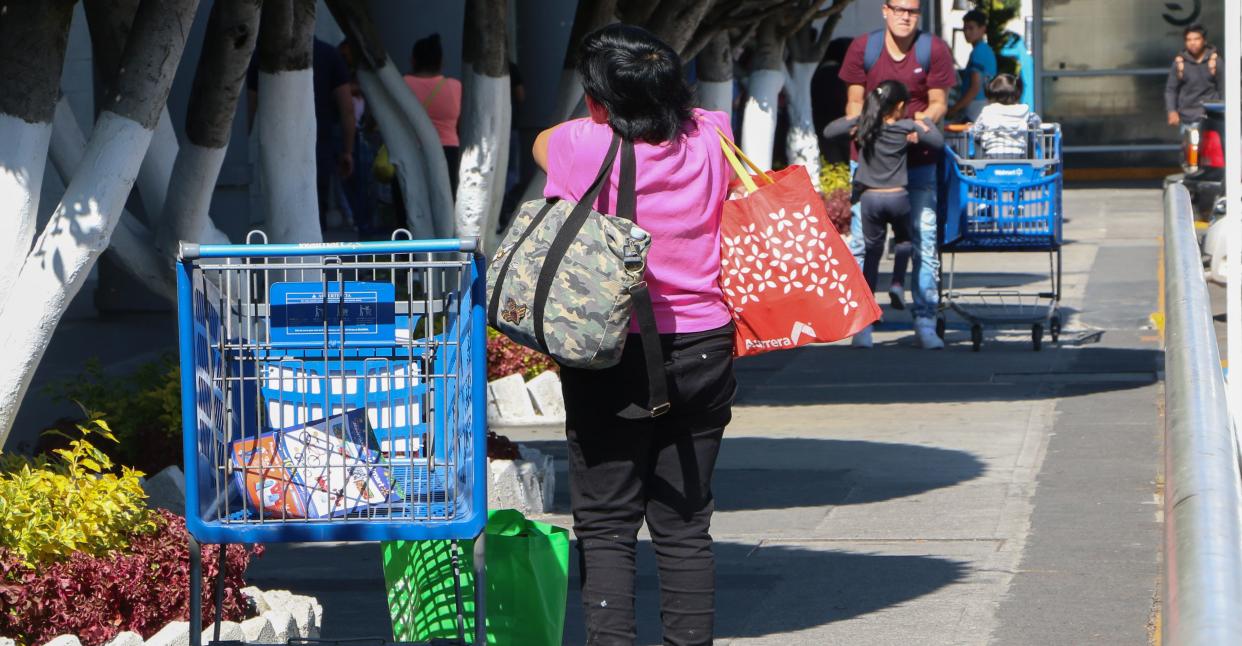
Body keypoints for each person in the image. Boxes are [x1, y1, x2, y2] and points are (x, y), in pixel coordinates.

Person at [532, 23, 736, 646]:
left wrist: (600, 113)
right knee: (683, 525)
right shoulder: (713, 135)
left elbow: (541, 141)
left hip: (611, 350)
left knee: (606, 522)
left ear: (599, 104)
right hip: (705, 347)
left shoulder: (580, 145)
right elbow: (693, 111)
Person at [839, 0, 956, 349]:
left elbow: (938, 101)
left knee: (924, 240)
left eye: (913, 11)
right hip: (869, 163)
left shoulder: (932, 49)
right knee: (862, 245)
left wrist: (920, 125)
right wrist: (865, 127)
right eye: (899, 9)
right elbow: (854, 100)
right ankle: (863, 323)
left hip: (917, 163)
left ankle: (925, 320)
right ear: (885, 10)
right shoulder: (864, 48)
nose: (906, 16)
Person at [823, 81, 943, 348]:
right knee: (904, 242)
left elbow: (830, 131)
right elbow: (936, 141)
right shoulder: (905, 127)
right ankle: (898, 283)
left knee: (871, 256)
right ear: (900, 106)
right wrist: (923, 123)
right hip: (898, 196)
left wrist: (857, 118)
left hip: (870, 199)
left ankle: (864, 329)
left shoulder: (865, 129)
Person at [404, 34, 463, 195]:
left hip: (412, 150)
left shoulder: (403, 84)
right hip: (448, 151)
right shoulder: (455, 86)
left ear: (413, 60)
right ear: (441, 62)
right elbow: (461, 124)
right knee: (446, 198)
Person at [1164, 24, 1220, 134]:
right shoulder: (1179, 63)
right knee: (1190, 150)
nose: (1192, 43)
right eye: (1189, 40)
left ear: (1204, 41)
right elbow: (1171, 90)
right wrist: (1172, 111)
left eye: (1196, 39)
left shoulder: (1216, 62)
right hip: (1188, 119)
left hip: (1211, 118)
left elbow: (1225, 89)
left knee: (1212, 150)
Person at [971, 73, 1041, 158]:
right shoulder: (1023, 111)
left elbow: (976, 132)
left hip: (992, 154)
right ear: (1017, 94)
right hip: (1019, 155)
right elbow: (1036, 121)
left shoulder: (988, 111)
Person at [948, 9, 996, 122]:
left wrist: (954, 109)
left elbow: (975, 87)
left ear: (983, 29)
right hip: (985, 104)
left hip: (976, 108)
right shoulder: (986, 50)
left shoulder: (978, 52)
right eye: (965, 28)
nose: (967, 32)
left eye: (971, 28)